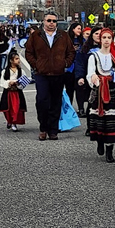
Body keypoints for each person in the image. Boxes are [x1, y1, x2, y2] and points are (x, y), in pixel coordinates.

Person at [25, 12, 76, 141]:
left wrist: (64, 63)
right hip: (41, 74)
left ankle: (53, 130)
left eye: (54, 21)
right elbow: (29, 52)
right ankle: (43, 128)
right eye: (49, 20)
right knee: (42, 101)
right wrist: (36, 65)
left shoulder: (63, 36)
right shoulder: (36, 36)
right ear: (44, 21)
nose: (51, 23)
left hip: (58, 74)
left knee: (55, 102)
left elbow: (71, 52)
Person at [87, 28, 115, 161]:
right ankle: (100, 141)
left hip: (112, 88)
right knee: (99, 116)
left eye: (109, 37)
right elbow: (90, 73)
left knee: (111, 120)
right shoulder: (94, 56)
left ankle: (110, 150)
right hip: (99, 89)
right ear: (100, 40)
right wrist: (94, 79)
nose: (106, 40)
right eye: (104, 38)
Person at [76, 26, 102, 125]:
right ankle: (90, 126)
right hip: (89, 79)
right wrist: (80, 77)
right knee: (92, 103)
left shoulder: (107, 48)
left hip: (103, 78)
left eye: (100, 34)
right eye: (96, 34)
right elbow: (80, 64)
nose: (98, 36)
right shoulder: (84, 49)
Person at [0, 50, 27, 132]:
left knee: (16, 108)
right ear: (11, 60)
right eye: (16, 59)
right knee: (8, 108)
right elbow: (2, 82)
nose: (18, 60)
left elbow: (24, 82)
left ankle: (14, 122)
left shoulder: (21, 71)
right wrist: (9, 82)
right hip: (8, 93)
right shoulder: (5, 71)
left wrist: (18, 84)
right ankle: (10, 121)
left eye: (18, 58)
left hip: (17, 93)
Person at [64, 23, 84, 105]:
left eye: (80, 29)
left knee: (80, 89)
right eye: (78, 28)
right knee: (69, 89)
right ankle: (69, 106)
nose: (80, 30)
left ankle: (81, 108)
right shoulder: (66, 40)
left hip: (79, 67)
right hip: (69, 68)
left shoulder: (82, 41)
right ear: (73, 29)